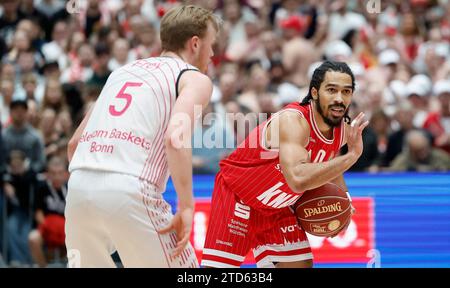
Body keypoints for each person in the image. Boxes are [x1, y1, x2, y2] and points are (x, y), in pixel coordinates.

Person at [65, 5, 220, 268]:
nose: (213, 53)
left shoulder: (120, 73)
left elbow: (75, 143)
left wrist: (95, 195)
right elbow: (175, 137)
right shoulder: (195, 79)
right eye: (211, 44)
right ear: (195, 44)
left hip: (79, 188)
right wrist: (186, 206)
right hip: (131, 190)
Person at [201, 61, 369, 268]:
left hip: (277, 207)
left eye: (346, 91)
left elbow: (330, 163)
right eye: (331, 90)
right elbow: (298, 179)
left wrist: (345, 203)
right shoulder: (294, 121)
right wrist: (352, 156)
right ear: (315, 93)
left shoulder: (343, 130)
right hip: (239, 196)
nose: (339, 98)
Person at [29, 156, 68, 268]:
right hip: (47, 227)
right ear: (47, 174)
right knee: (33, 239)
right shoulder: (41, 187)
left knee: (80, 237)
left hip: (67, 228)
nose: (57, 177)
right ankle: (43, 266)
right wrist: (52, 231)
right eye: (53, 173)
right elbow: (38, 214)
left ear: (66, 174)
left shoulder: (70, 188)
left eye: (60, 173)